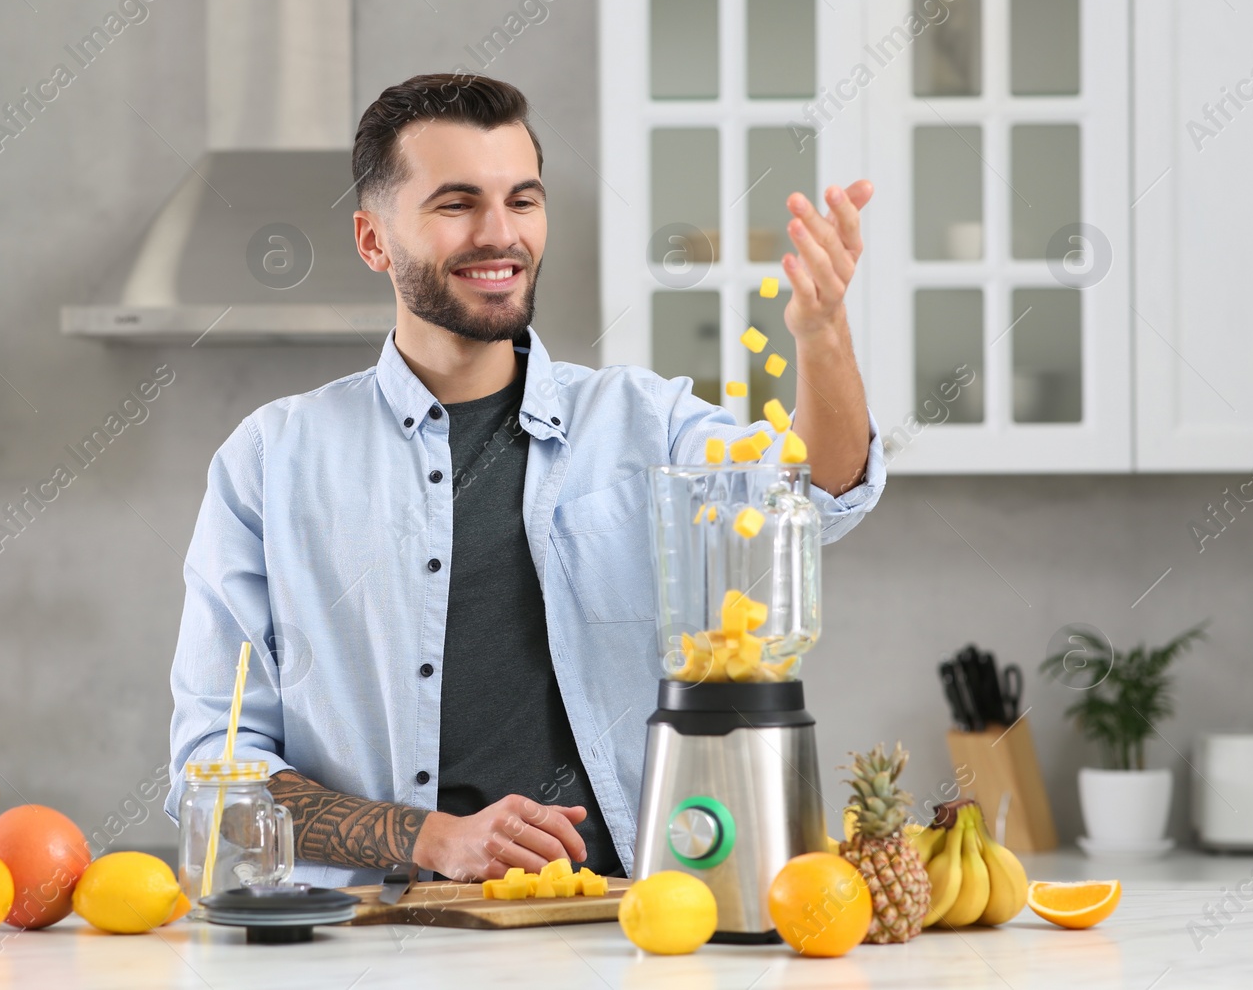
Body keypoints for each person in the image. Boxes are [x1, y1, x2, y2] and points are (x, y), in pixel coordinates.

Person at [166, 73, 885, 888]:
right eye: (456, 203)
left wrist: (822, 337)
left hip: (626, 928)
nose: (500, 234)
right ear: (373, 241)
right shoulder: (271, 461)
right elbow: (213, 773)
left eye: (523, 200)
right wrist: (426, 837)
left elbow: (818, 493)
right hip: (371, 940)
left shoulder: (645, 423)